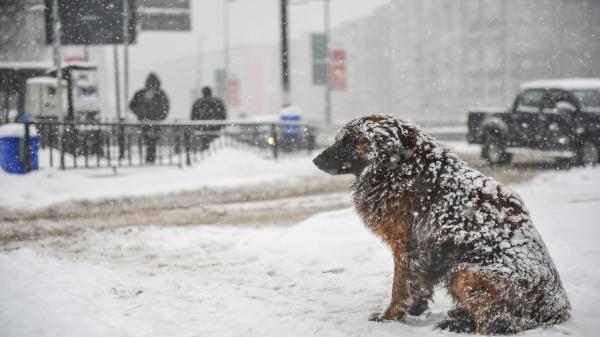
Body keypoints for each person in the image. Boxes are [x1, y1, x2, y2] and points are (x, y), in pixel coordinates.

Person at [129, 73, 169, 163]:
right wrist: (160, 117)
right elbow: (165, 107)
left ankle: (150, 157)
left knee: (149, 139)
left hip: (146, 120)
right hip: (154, 121)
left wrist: (139, 113)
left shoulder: (140, 93)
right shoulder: (160, 94)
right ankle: (150, 157)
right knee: (152, 139)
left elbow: (132, 105)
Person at [190, 86, 227, 151]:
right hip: (216, 128)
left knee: (203, 146)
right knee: (216, 147)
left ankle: (205, 152)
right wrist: (221, 124)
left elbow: (193, 116)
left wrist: (196, 126)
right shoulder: (218, 101)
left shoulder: (198, 102)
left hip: (202, 129)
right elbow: (223, 115)